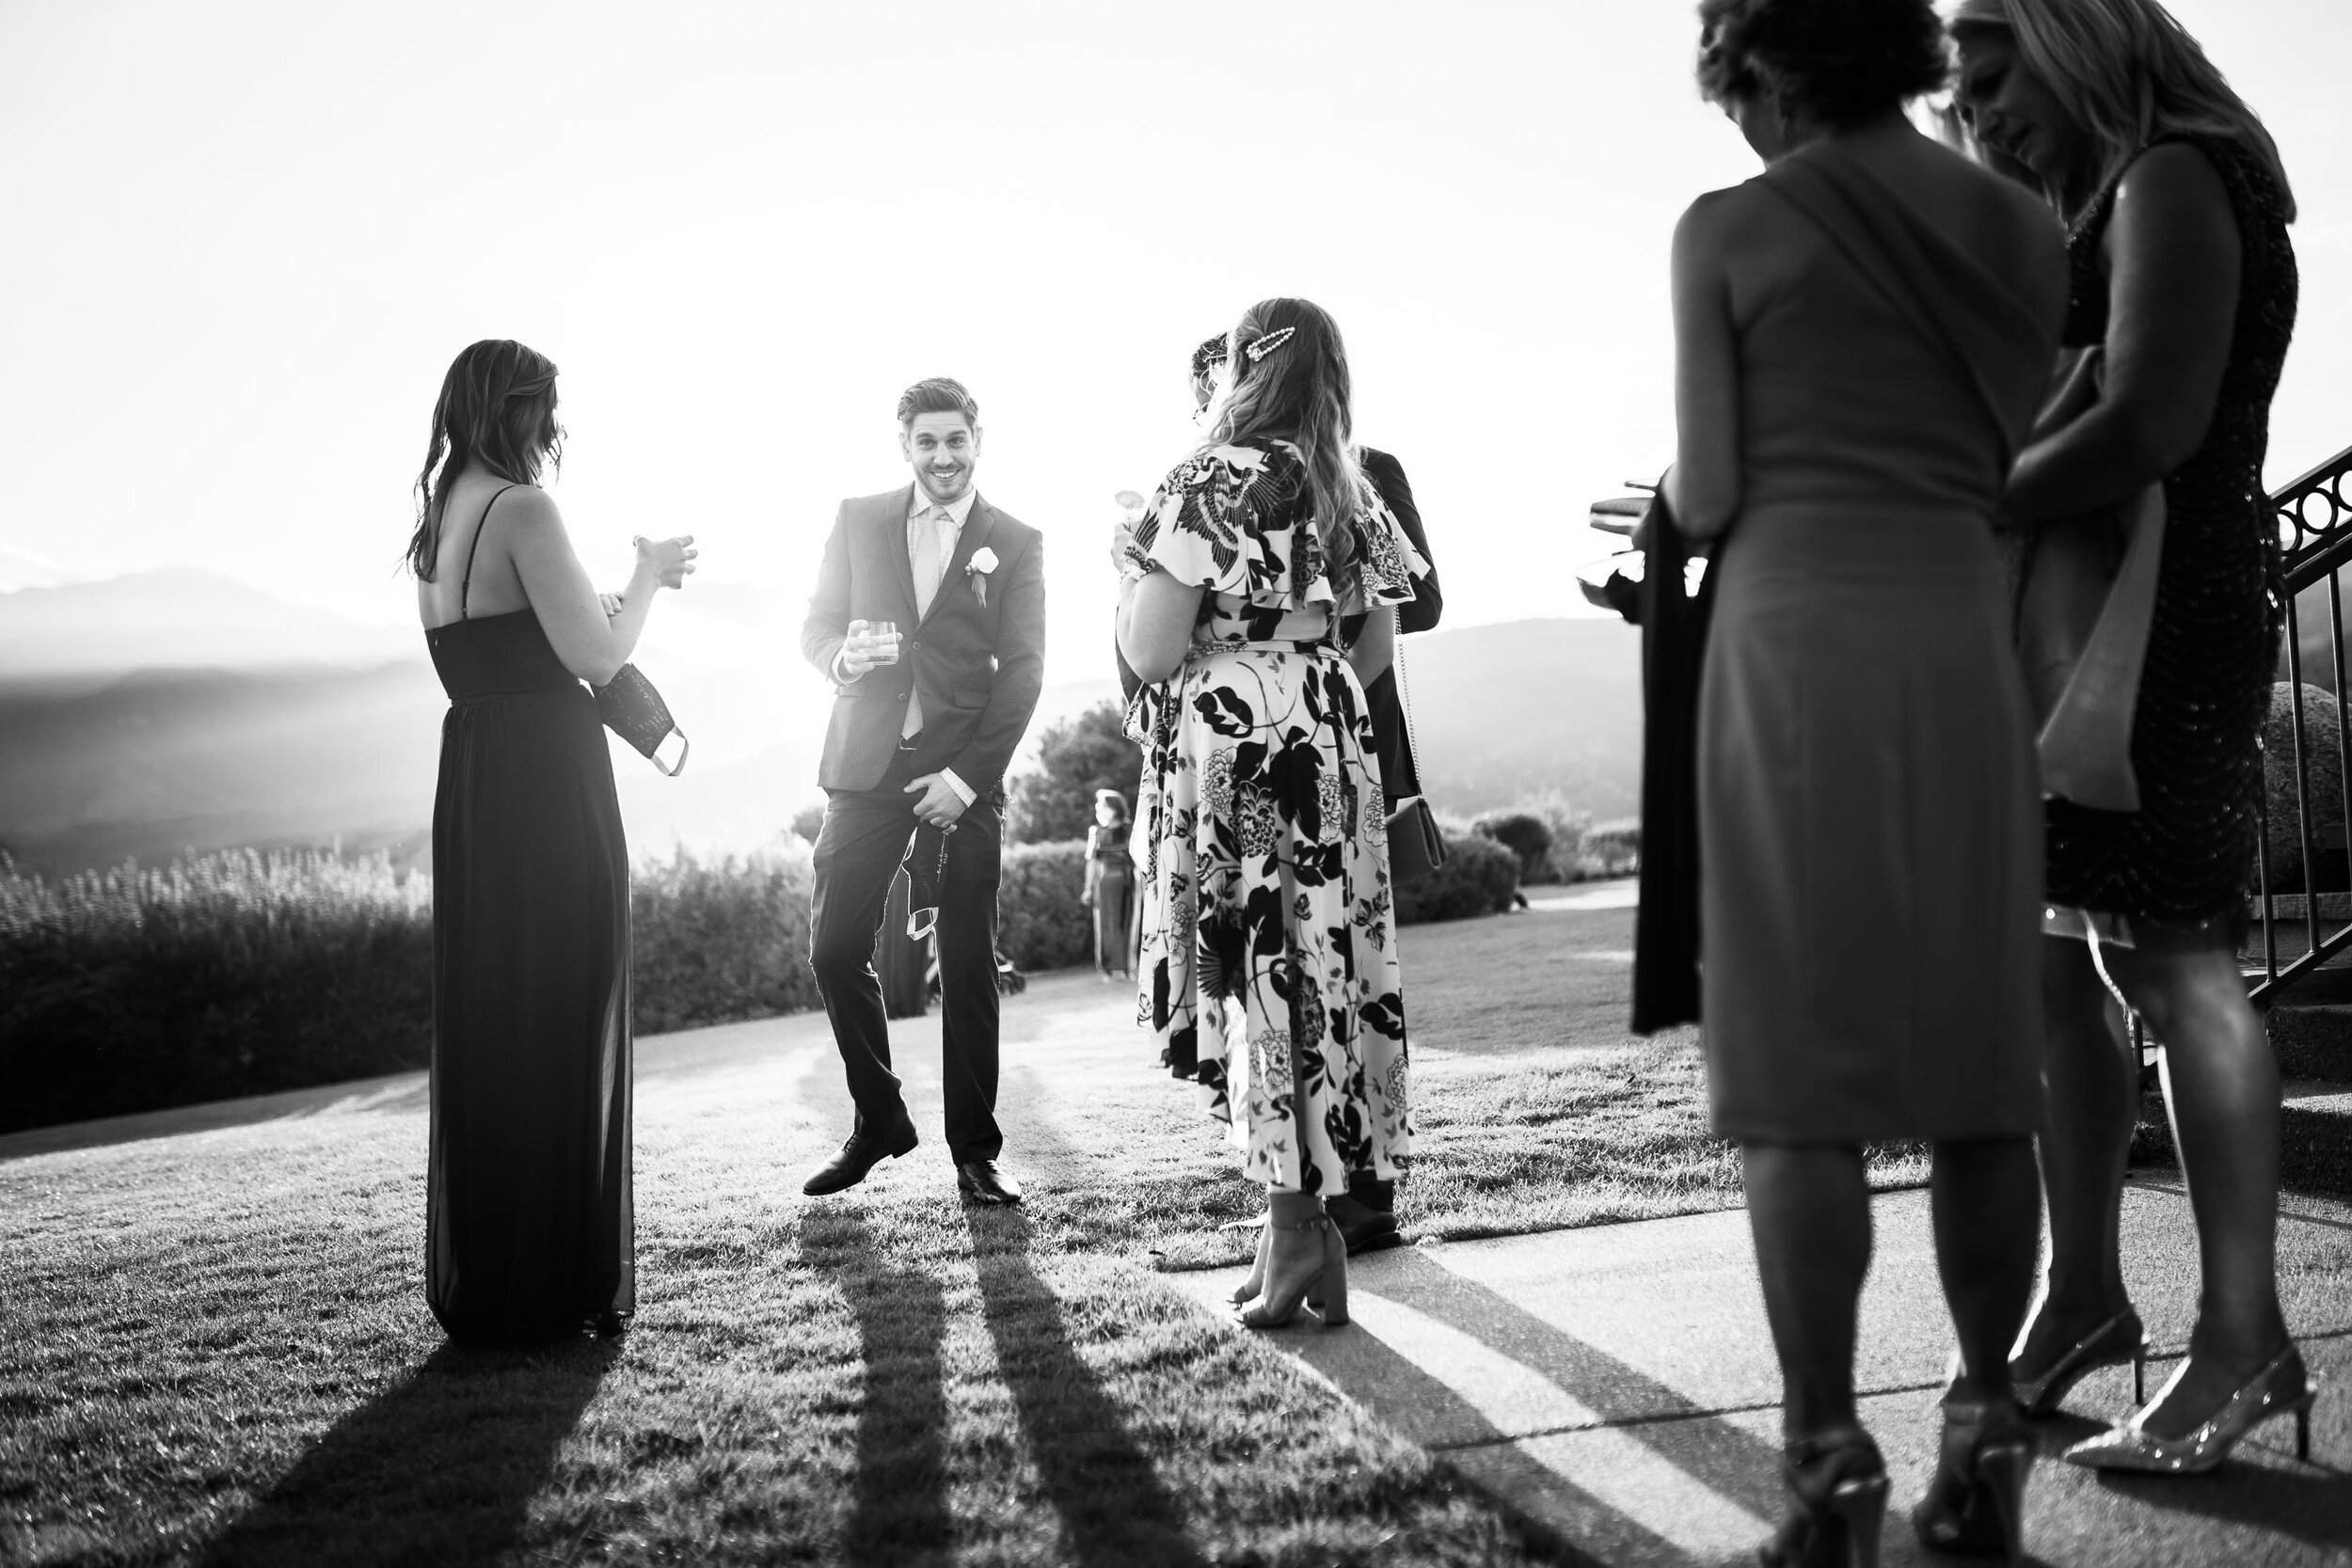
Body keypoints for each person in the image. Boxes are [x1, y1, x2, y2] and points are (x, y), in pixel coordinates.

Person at [1670, 1, 2069, 1560]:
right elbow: (2009, 448)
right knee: (1984, 1076)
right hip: (1961, 652)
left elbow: (1709, 491)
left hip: (1793, 660)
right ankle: (1983, 1442)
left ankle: (1831, 1473)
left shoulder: (1725, 229)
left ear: (1758, 63)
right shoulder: (2020, 224)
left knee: (1800, 1089)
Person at [1951, 0, 2312, 1475]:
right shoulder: (2107, 193)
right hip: (2094, 617)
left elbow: (2148, 419)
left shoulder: (2176, 175)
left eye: (1990, 73)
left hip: (2164, 624)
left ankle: (2246, 1341)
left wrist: (1958, 501)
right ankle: (2087, 1296)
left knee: (2172, 960)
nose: (1978, 110)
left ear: (2073, 32)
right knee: (2055, 954)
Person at [1118, 296, 1423, 1331]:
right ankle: (1301, 1231)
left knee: (1262, 975)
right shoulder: (1352, 490)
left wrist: (1130, 579)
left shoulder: (1204, 481)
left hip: (1237, 747)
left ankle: (1299, 1233)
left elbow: (1154, 650)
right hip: (1328, 737)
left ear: (1243, 369)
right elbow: (1373, 652)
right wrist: (1301, 673)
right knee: (1317, 966)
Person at [407, 338, 696, 1342]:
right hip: (546, 782)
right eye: (550, 410)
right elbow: (597, 654)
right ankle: (558, 1275)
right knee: (568, 1003)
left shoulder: (441, 519)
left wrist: (602, 605)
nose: (557, 430)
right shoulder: (523, 508)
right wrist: (649, 574)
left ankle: (502, 1271)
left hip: (478, 777)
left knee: (503, 1016)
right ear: (521, 410)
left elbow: (506, 646)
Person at [798, 377, 1046, 1207]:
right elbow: (815, 626)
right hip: (866, 768)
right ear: (904, 444)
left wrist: (968, 779)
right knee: (835, 949)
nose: (943, 457)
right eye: (927, 443)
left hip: (963, 775)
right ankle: (879, 1120)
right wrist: (841, 656)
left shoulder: (1014, 541)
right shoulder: (857, 519)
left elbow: (1025, 675)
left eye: (956, 440)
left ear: (979, 438)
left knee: (969, 967)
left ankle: (977, 1152)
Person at [1083, 789, 1134, 982]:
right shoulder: (1095, 832)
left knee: (1128, 924)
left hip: (1128, 882)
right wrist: (1088, 888)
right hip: (1104, 885)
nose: (1099, 809)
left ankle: (1129, 967)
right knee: (1105, 926)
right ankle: (1108, 969)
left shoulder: (1130, 830)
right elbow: (1092, 862)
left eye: (1102, 805)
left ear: (1113, 808)